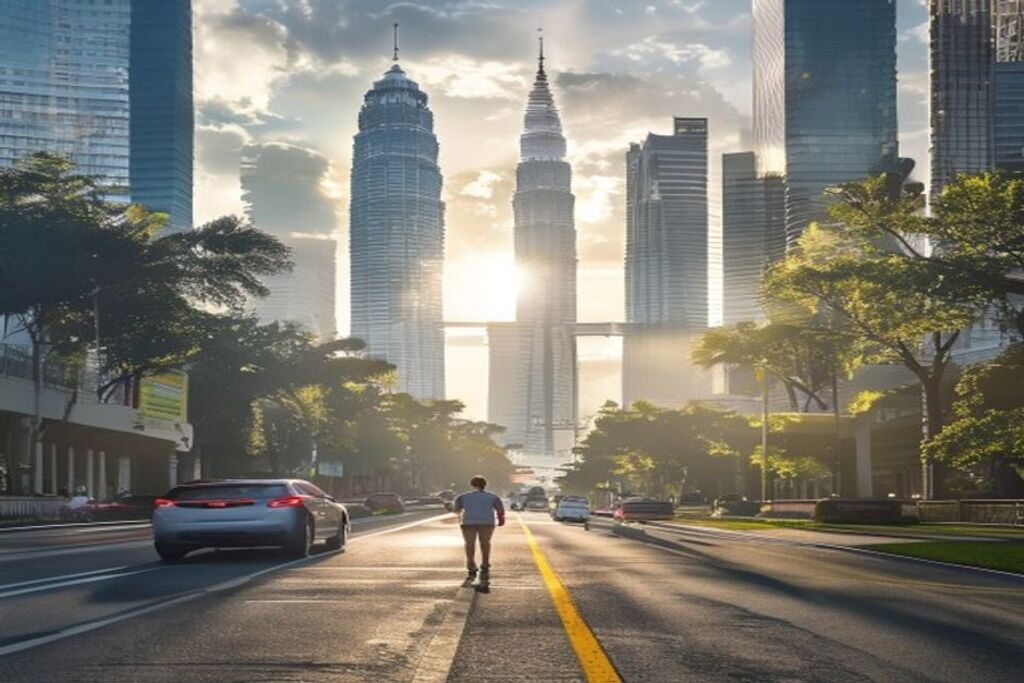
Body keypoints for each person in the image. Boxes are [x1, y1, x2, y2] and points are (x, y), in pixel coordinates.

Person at [451, 475, 505, 588]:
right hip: (486, 523)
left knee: (469, 544)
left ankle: (471, 565)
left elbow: (456, 510)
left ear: (472, 484)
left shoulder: (463, 497)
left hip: (468, 523)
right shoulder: (493, 497)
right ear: (485, 485)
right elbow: (500, 509)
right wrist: (501, 520)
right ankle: (485, 564)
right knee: (485, 543)